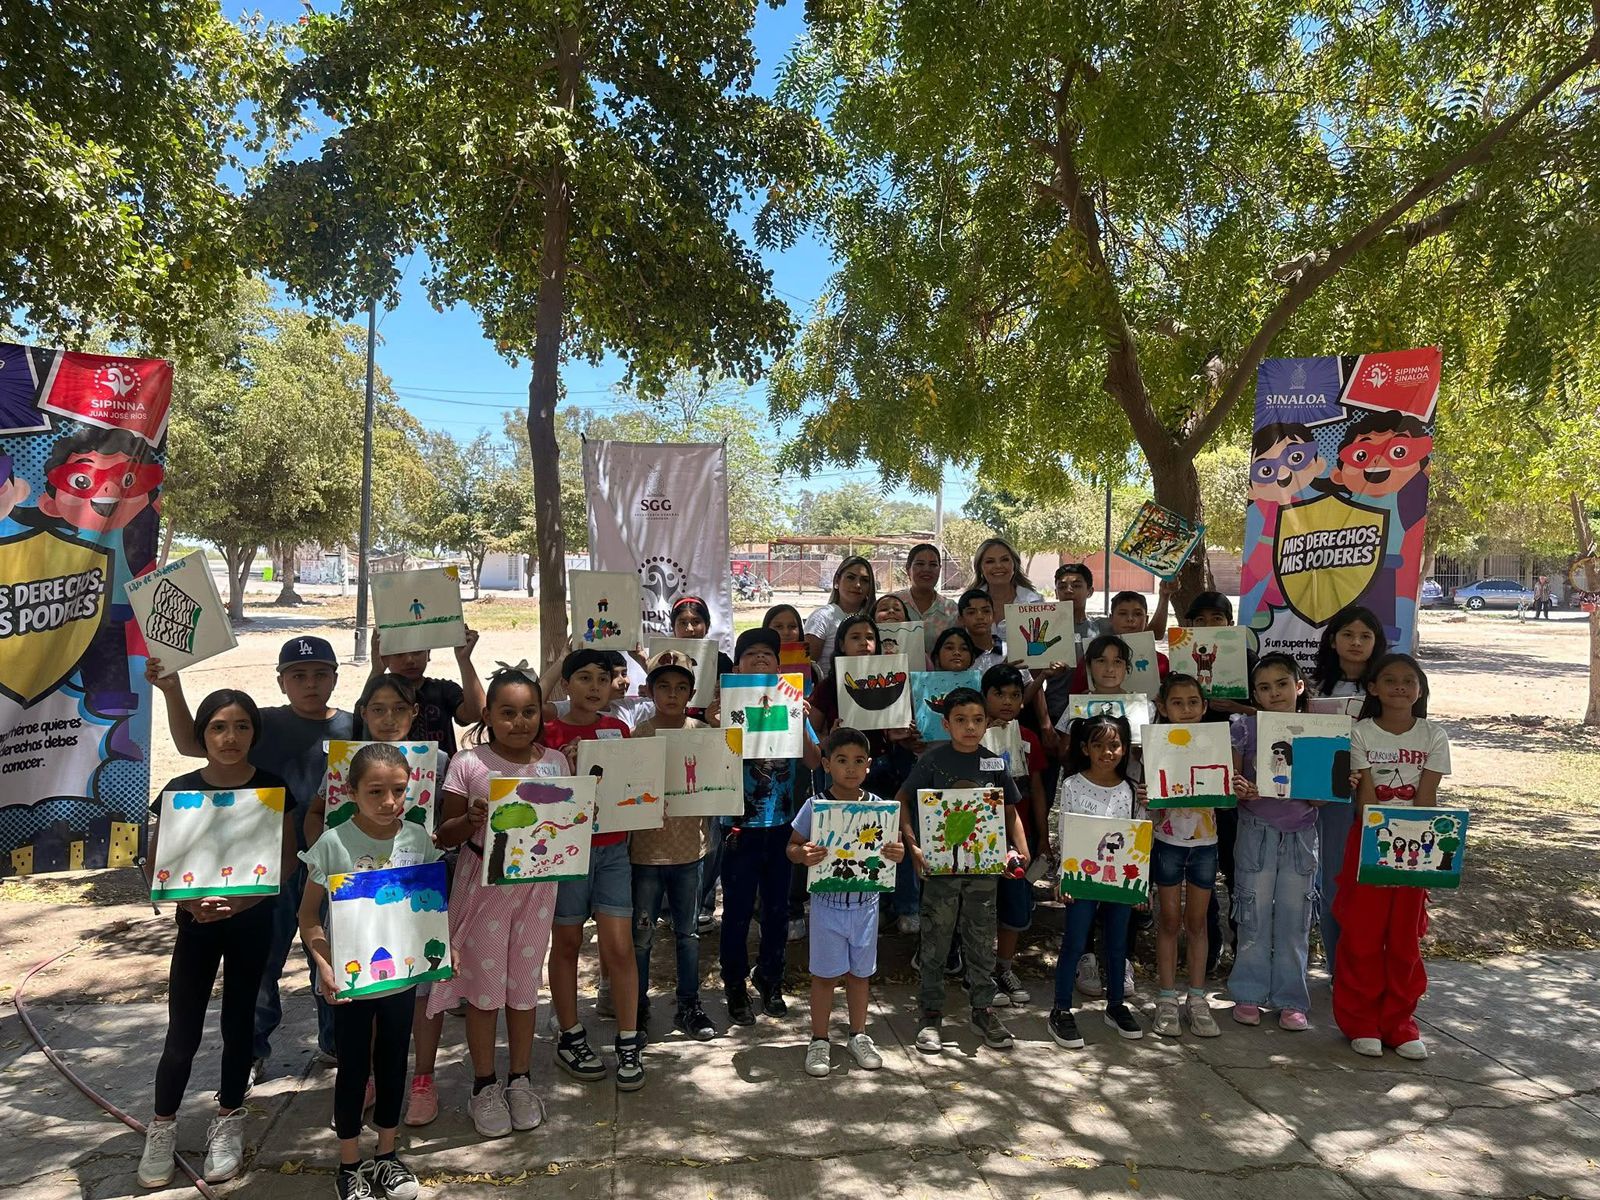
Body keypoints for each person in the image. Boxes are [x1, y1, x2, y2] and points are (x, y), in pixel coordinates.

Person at [147, 635, 357, 1079]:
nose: (310, 683)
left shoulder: (351, 726)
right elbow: (192, 743)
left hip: (336, 861)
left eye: (320, 674)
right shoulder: (259, 723)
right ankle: (251, 1050)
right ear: (281, 682)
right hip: (268, 862)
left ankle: (338, 1044)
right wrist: (171, 690)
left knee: (334, 952)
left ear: (335, 678)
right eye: (298, 675)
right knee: (263, 962)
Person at [138, 691, 297, 1189]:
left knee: (239, 1025)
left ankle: (229, 1118)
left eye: (242, 726)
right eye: (219, 727)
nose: (231, 737)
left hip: (252, 923)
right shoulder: (180, 789)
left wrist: (243, 904)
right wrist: (190, 905)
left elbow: (286, 859)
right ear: (203, 734)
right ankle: (162, 1124)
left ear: (255, 733)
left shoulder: (272, 788)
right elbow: (157, 862)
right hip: (197, 925)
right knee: (182, 1032)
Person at [302, 673, 453, 1127]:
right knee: (364, 1007)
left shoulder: (436, 762)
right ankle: (363, 1080)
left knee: (414, 1002)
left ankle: (419, 1080)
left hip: (410, 919)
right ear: (363, 713)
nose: (389, 718)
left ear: (415, 713)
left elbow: (442, 832)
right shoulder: (347, 766)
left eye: (400, 709)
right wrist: (326, 861)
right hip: (356, 921)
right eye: (379, 709)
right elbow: (316, 815)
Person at [430, 665, 567, 1138]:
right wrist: (469, 820)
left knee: (524, 987)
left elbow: (567, 823)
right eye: (507, 712)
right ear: (487, 714)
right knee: (485, 990)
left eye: (529, 712)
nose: (519, 722)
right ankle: (484, 1085)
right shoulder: (468, 764)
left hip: (537, 890)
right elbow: (444, 835)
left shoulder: (556, 763)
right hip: (483, 888)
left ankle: (520, 1080)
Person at [300, 743, 439, 1200]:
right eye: (375, 791)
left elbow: (427, 905)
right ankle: (348, 1164)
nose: (389, 801)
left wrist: (438, 949)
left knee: (394, 1061)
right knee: (354, 1068)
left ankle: (386, 1155)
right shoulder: (333, 843)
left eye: (398, 790)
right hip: (352, 982)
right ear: (350, 792)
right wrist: (325, 965)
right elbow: (308, 917)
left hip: (400, 978)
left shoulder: (417, 838)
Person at [897, 687, 1029, 1054]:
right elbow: (903, 800)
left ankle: (983, 1009)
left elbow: (1009, 811)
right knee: (935, 940)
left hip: (983, 871)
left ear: (987, 723)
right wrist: (914, 846)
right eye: (960, 720)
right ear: (946, 724)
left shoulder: (994, 764)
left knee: (981, 940)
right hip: (941, 871)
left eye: (977, 720)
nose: (969, 727)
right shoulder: (932, 761)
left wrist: (1021, 849)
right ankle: (930, 1013)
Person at [1336, 654, 1450, 1059]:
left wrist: (1423, 856)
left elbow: (1427, 797)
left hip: (1418, 843)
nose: (1400, 686)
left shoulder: (1434, 735)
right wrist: (1378, 841)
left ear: (1420, 690)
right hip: (1369, 839)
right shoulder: (1360, 733)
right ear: (1373, 688)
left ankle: (1400, 1023)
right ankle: (1361, 1021)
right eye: (1389, 679)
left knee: (1404, 939)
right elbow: (1365, 800)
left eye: (1409, 680)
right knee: (1363, 935)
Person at [541, 648, 644, 1089]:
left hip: (612, 850)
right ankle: (570, 1034)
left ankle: (628, 1040)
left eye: (602, 679)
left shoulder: (617, 729)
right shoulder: (547, 731)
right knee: (567, 942)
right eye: (583, 678)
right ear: (566, 685)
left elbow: (633, 786)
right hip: (565, 852)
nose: (594, 687)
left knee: (619, 947)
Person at [712, 628, 822, 1024]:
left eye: (767, 654)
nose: (760, 658)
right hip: (738, 826)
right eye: (750, 653)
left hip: (782, 827)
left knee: (777, 910)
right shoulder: (724, 707)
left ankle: (771, 977)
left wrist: (802, 720)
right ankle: (734, 983)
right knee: (737, 910)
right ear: (737, 665)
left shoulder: (790, 702)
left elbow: (814, 760)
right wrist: (715, 722)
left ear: (778, 665)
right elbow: (711, 758)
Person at [788, 728, 906, 1076]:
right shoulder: (815, 806)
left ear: (868, 765)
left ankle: (858, 1035)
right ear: (827, 764)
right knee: (824, 976)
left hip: (866, 905)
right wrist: (802, 854)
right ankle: (819, 1040)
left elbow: (892, 850)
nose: (850, 768)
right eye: (842, 760)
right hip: (827, 905)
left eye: (858, 761)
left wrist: (897, 853)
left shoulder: (880, 809)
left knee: (860, 975)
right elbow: (792, 846)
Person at [1227, 654, 1321, 1031]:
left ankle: (1291, 999)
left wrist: (1329, 783)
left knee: (1295, 919)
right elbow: (1230, 783)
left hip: (1301, 835)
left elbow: (1319, 800)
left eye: (1282, 684)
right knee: (1252, 913)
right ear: (1255, 694)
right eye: (1264, 688)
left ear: (1299, 686)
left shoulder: (1318, 730)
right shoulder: (1243, 729)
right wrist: (1241, 788)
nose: (1274, 693)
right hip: (1256, 831)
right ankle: (1248, 993)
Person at [629, 652, 718, 1041]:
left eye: (681, 687)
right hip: (645, 854)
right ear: (650, 690)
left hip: (689, 853)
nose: (672, 694)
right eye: (663, 686)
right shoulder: (638, 736)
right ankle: (637, 1007)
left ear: (691, 692)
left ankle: (689, 1005)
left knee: (688, 934)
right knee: (642, 937)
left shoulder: (703, 733)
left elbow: (721, 781)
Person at [1046, 713, 1145, 1049]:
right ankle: (1061, 1008)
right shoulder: (1073, 785)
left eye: (1114, 745)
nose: (1107, 752)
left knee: (1117, 944)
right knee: (1075, 942)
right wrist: (1063, 876)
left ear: (1125, 748)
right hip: (1082, 877)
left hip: (1120, 880)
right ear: (1085, 748)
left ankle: (1115, 1004)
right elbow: (1065, 830)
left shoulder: (1132, 790)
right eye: (1099, 745)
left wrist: (1141, 885)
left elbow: (1139, 836)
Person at [1309, 606, 1387, 979]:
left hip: (1383, 795)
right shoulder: (1312, 687)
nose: (1356, 642)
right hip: (1332, 796)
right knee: (1333, 882)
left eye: (1365, 636)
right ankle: (1339, 968)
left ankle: (1372, 966)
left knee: (1376, 884)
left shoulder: (1387, 686)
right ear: (1332, 640)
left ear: (1377, 642)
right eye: (1348, 635)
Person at [1148, 674, 1222, 1038]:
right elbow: (1148, 796)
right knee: (1168, 921)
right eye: (1177, 703)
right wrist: (1147, 795)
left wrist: (1236, 786)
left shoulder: (1216, 744)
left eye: (1193, 702)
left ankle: (1196, 998)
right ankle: (1166, 998)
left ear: (1204, 706)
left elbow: (1227, 789)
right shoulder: (1156, 746)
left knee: (1197, 923)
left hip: (1205, 845)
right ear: (1163, 707)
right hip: (1167, 843)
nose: (1187, 709)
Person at [981, 665, 1046, 1007]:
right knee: (980, 905)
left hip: (1018, 836)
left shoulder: (1029, 738)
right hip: (979, 837)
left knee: (1014, 905)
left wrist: (1042, 837)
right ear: (985, 697)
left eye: (1015, 695)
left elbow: (1037, 789)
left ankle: (1004, 968)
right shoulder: (971, 735)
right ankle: (980, 973)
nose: (1007, 701)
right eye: (999, 694)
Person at [364, 626, 485, 753]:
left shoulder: (443, 690)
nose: (409, 660)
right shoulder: (380, 695)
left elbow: (476, 714)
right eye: (399, 654)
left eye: (417, 652)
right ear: (385, 657)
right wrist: (377, 670)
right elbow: (360, 719)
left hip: (439, 765)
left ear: (428, 653)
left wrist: (464, 660)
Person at [891, 542, 959, 659]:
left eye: (933, 565)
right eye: (920, 564)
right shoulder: (892, 603)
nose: (927, 569)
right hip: (897, 670)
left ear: (939, 569)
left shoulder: (951, 609)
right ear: (908, 569)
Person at [805, 556, 877, 665]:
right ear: (837, 581)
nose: (857, 585)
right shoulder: (821, 617)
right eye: (850, 578)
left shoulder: (875, 618)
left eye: (864, 580)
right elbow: (807, 667)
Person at [971, 537, 1042, 642]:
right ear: (980, 568)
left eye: (1004, 560)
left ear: (1014, 565)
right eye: (990, 561)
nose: (998, 566)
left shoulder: (1035, 603)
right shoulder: (968, 604)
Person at [957, 588, 1007, 673]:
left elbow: (1027, 680)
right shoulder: (958, 656)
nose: (980, 617)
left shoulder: (1008, 651)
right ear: (961, 619)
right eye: (971, 612)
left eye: (986, 611)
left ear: (994, 616)